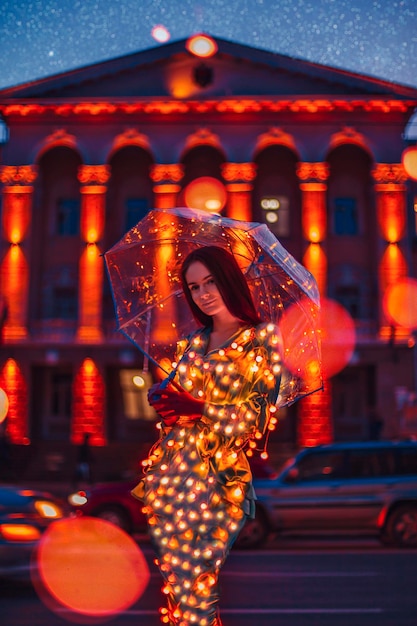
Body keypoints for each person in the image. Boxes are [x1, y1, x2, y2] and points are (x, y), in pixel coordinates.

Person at [132, 245, 282, 626]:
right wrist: (164, 401)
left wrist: (198, 409)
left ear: (229, 280)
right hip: (171, 476)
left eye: (212, 282)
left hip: (218, 478)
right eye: (195, 287)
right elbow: (176, 410)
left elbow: (253, 421)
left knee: (199, 588)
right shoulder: (194, 343)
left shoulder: (260, 340)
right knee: (178, 594)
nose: (204, 294)